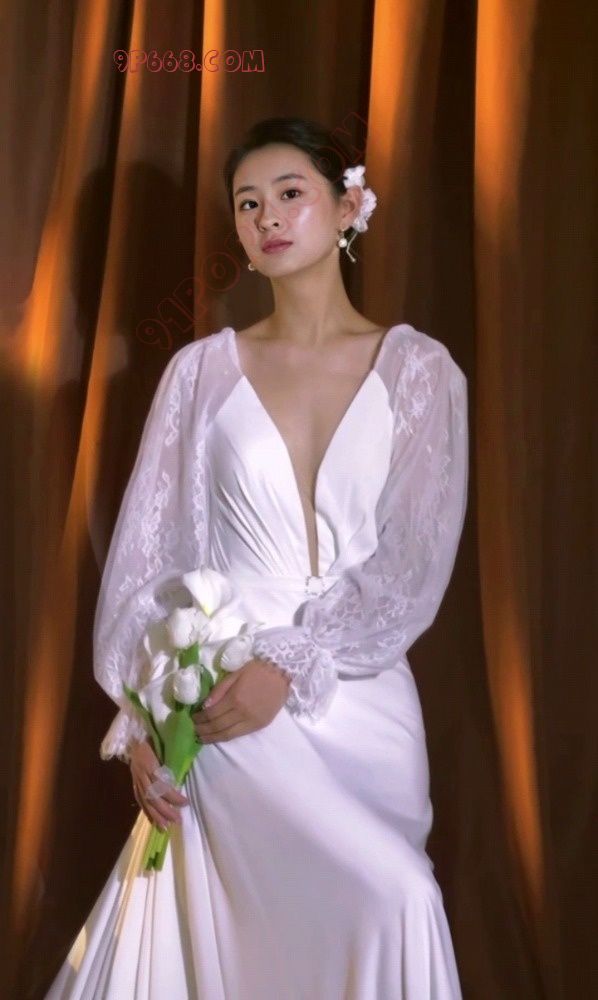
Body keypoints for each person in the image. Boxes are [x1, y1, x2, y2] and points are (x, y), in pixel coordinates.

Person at [46, 116, 468, 999]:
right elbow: (150, 561)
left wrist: (294, 659)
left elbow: (412, 562)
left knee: (385, 906)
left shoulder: (421, 372)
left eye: (290, 194)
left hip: (366, 704)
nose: (267, 217)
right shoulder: (199, 375)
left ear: (348, 206)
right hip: (227, 702)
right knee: (316, 923)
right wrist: (143, 720)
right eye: (247, 204)